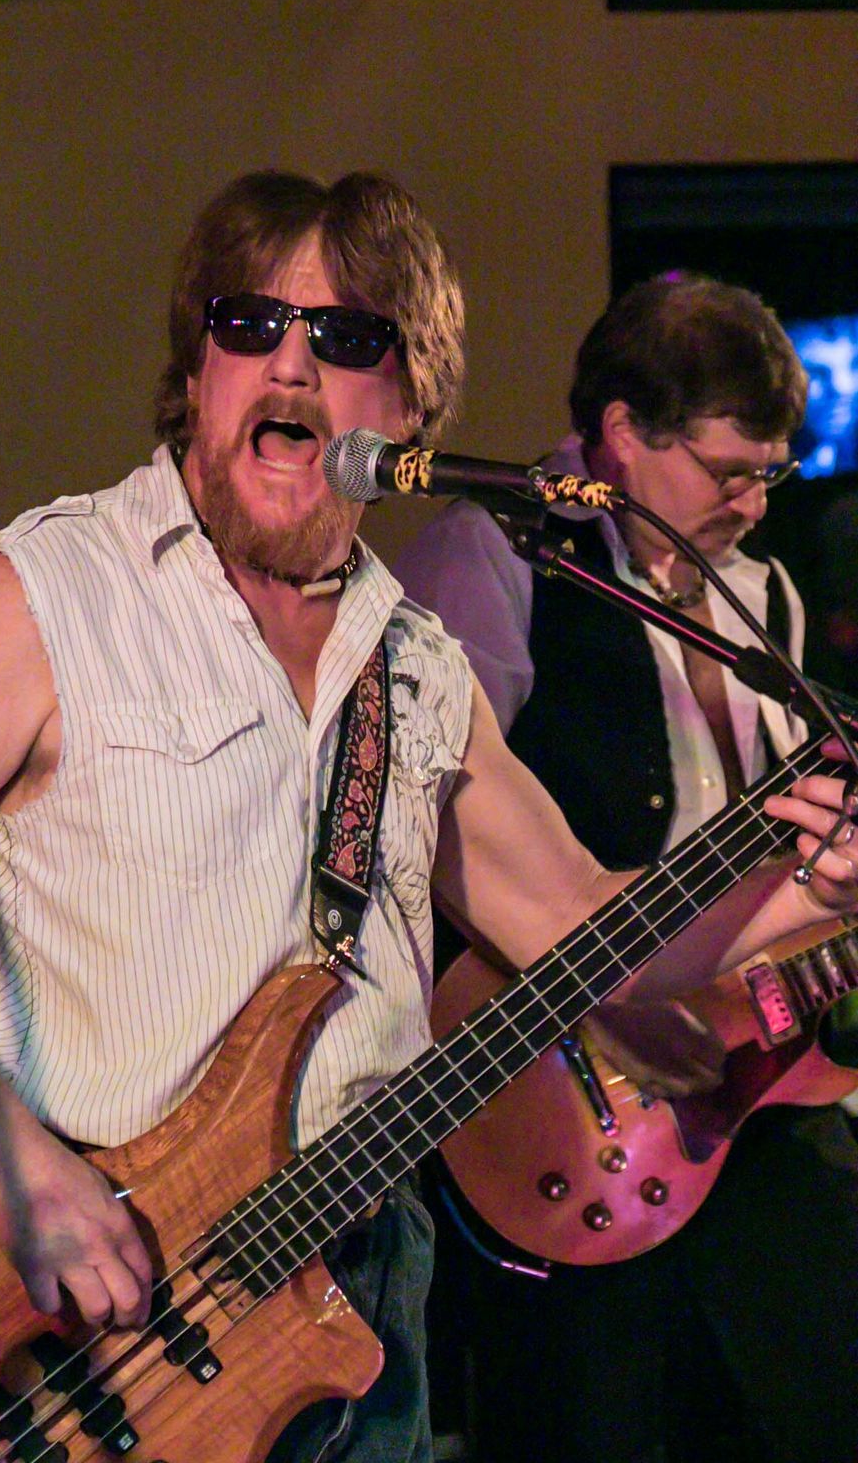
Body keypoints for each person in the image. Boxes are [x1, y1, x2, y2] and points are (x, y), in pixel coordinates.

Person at [0, 196, 857, 1463]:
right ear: (196, 373)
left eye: (344, 337)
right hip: (89, 1320)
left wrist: (811, 893)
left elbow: (582, 929)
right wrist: (9, 1158)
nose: (287, 363)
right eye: (248, 324)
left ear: (408, 408)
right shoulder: (51, 596)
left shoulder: (416, 669)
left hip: (360, 1308)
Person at [395, 270, 858, 1463]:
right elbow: (427, 829)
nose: (751, 504)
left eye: (770, 475)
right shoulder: (494, 554)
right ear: (619, 432)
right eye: (726, 471)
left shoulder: (760, 596)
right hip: (560, 1088)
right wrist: (604, 1003)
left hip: (739, 1082)